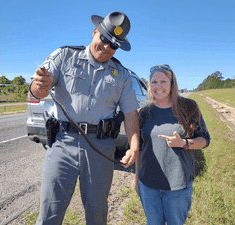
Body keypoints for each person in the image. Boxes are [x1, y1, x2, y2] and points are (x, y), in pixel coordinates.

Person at [29, 12, 140, 225]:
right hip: (62, 144)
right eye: (105, 39)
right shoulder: (64, 56)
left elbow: (130, 114)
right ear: (95, 31)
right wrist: (40, 85)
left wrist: (134, 147)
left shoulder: (122, 75)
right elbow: (37, 88)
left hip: (100, 148)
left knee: (97, 213)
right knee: (49, 212)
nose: (107, 47)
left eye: (114, 45)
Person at [135, 64, 210, 224]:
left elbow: (205, 140)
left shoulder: (189, 107)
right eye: (154, 82)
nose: (158, 86)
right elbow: (139, 149)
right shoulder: (144, 113)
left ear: (172, 83)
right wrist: (137, 181)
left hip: (178, 187)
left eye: (163, 81)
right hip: (148, 186)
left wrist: (184, 143)